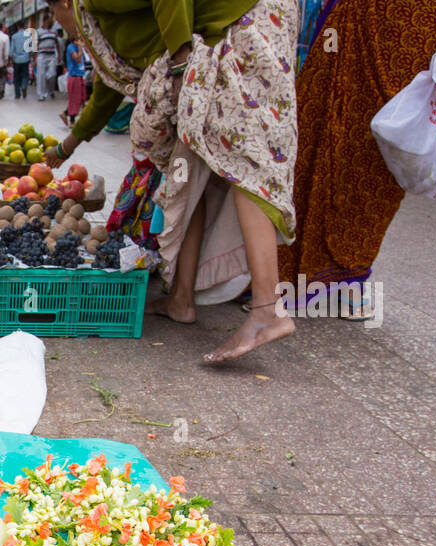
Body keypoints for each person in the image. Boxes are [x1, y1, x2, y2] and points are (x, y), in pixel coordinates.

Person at [43, 0, 300, 364]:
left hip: (239, 28)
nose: (58, 23)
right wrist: (67, 144)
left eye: (54, 14)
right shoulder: (99, 21)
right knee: (188, 175)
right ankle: (181, 298)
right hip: (197, 53)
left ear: (64, 3)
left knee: (245, 160)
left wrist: (180, 62)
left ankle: (267, 309)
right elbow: (107, 88)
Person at [279, 0, 436, 318]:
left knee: (384, 148)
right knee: (315, 125)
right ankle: (276, 273)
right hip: (354, 18)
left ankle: (350, 274)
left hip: (420, 28)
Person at [35, 11, 62, 100]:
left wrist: (59, 55)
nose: (52, 21)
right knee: (41, 76)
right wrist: (34, 57)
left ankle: (50, 91)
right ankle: (41, 94)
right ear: (46, 20)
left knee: (52, 74)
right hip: (42, 55)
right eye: (50, 19)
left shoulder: (54, 31)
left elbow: (57, 43)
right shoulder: (39, 31)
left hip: (52, 56)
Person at [63, 35, 87, 126]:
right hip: (74, 76)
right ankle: (71, 120)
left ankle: (65, 114)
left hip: (80, 75)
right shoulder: (71, 47)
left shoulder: (77, 47)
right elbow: (77, 58)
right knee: (74, 99)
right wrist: (80, 48)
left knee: (81, 98)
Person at [11, 23, 33, 99]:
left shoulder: (14, 36)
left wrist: (10, 58)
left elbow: (12, 50)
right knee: (25, 75)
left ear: (17, 27)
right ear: (24, 27)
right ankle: (24, 86)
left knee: (16, 77)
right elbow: (31, 49)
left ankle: (17, 94)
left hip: (16, 59)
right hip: (25, 58)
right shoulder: (29, 36)